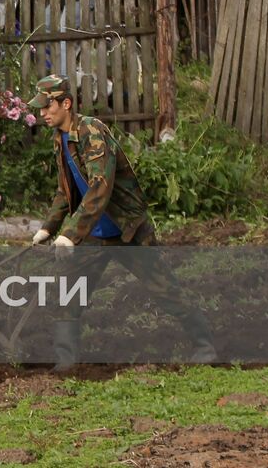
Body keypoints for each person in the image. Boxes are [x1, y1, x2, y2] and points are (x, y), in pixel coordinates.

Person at [28, 74, 216, 371]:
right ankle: (65, 363)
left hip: (126, 228)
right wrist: (48, 227)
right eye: (40, 109)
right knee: (68, 293)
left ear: (66, 104)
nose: (42, 114)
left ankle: (205, 346)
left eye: (47, 107)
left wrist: (70, 234)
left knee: (163, 287)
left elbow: (100, 186)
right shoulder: (60, 138)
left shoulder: (92, 132)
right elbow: (66, 189)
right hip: (94, 233)